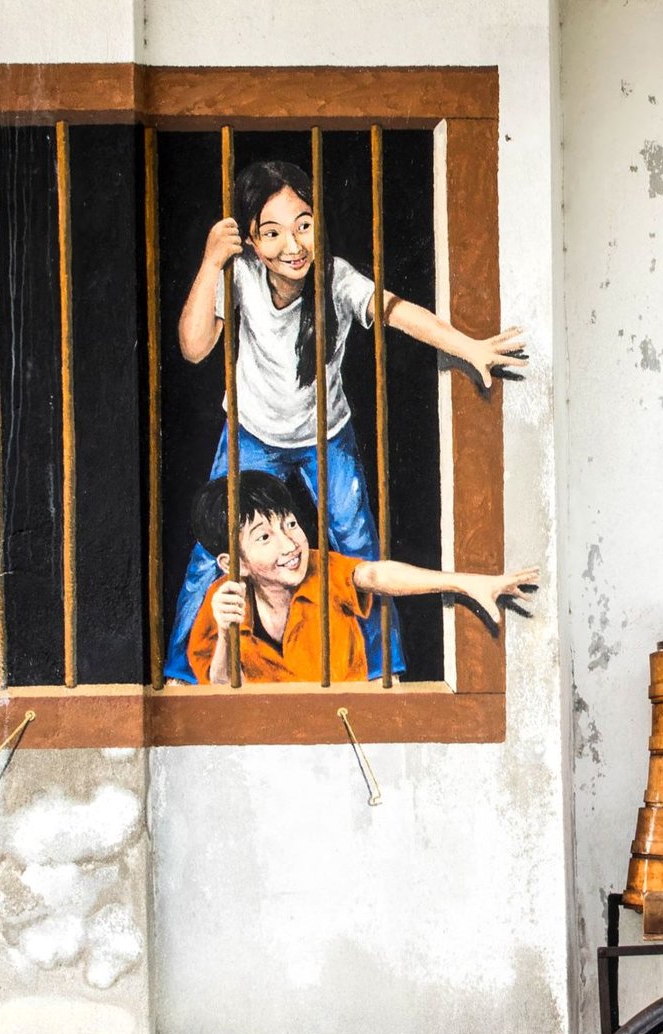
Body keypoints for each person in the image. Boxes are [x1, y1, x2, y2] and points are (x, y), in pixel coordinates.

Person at [167, 157, 527, 684]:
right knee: (214, 550)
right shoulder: (239, 274)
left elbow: (398, 311)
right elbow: (194, 347)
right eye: (272, 233)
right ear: (251, 241)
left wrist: (468, 346)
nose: (293, 245)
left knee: (357, 549)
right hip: (250, 432)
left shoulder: (335, 277)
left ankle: (382, 672)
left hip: (325, 434)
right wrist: (210, 260)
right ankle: (183, 675)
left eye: (304, 225)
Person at [186, 470, 537, 687]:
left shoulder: (321, 568)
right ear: (234, 563)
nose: (290, 544)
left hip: (345, 727)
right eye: (264, 537)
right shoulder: (223, 600)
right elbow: (221, 687)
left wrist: (465, 583)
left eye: (290, 524)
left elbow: (375, 573)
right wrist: (226, 633)